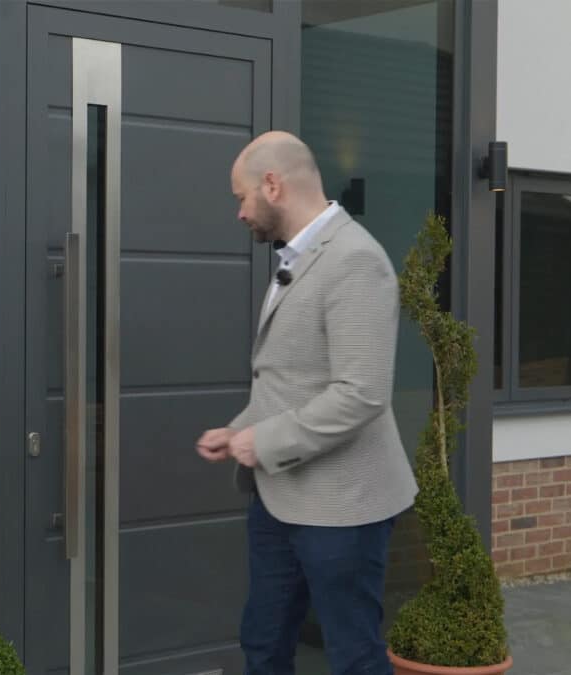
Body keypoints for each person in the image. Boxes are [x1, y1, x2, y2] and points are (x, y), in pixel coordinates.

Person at [196, 131, 417, 675]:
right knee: (264, 642)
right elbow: (292, 379)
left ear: (273, 185)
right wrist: (239, 429)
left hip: (344, 506)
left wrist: (263, 440)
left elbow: (360, 393)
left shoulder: (355, 260)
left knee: (353, 656)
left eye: (240, 197)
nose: (239, 212)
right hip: (278, 497)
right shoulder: (298, 257)